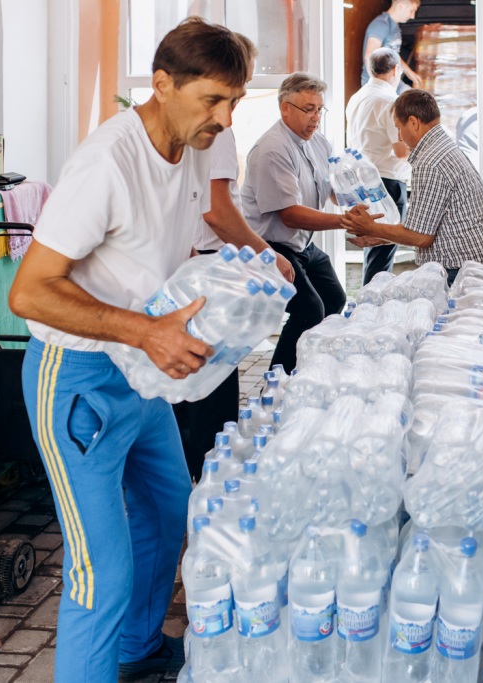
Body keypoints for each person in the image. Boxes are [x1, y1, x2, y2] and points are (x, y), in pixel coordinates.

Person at [7, 18, 252, 682]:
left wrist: (250, 273)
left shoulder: (196, 149)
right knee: (100, 568)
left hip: (141, 374)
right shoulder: (105, 164)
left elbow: (172, 247)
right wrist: (147, 331)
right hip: (78, 377)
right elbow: (28, 293)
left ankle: (138, 647)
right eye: (212, 100)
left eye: (235, 101)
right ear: (163, 84)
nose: (226, 118)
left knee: (172, 508)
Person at [172, 39, 296, 479]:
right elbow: (217, 211)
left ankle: (188, 471)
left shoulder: (174, 128)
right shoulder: (216, 131)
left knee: (188, 384)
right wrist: (266, 256)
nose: (232, 109)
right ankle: (209, 476)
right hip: (206, 265)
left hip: (185, 263)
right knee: (213, 386)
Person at [342, 88, 483, 286]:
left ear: (414, 122)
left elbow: (421, 237)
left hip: (461, 272)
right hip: (472, 266)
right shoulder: (442, 148)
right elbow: (428, 229)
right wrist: (380, 236)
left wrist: (371, 227)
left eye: (399, 128)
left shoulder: (430, 162)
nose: (399, 137)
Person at [241, 72, 346, 371]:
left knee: (334, 298)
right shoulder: (272, 149)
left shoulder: (318, 142)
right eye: (308, 109)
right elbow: (290, 213)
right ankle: (278, 382)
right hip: (269, 245)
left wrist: (355, 198)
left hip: (301, 242)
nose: (316, 117)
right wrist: (346, 223)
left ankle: (309, 367)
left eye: (319, 109)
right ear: (285, 108)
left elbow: (332, 190)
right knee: (308, 308)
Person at [346, 47, 411, 285]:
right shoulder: (390, 101)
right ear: (396, 70)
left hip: (361, 180)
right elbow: (401, 150)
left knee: (372, 250)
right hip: (387, 183)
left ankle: (367, 301)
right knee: (382, 250)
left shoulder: (357, 97)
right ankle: (370, 305)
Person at [360, 0, 423, 92]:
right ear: (401, 6)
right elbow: (369, 55)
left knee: (415, 100)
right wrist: (378, 86)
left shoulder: (395, 27)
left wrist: (410, 73)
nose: (412, 16)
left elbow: (393, 54)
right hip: (379, 84)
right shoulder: (381, 24)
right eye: (411, 11)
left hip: (393, 82)